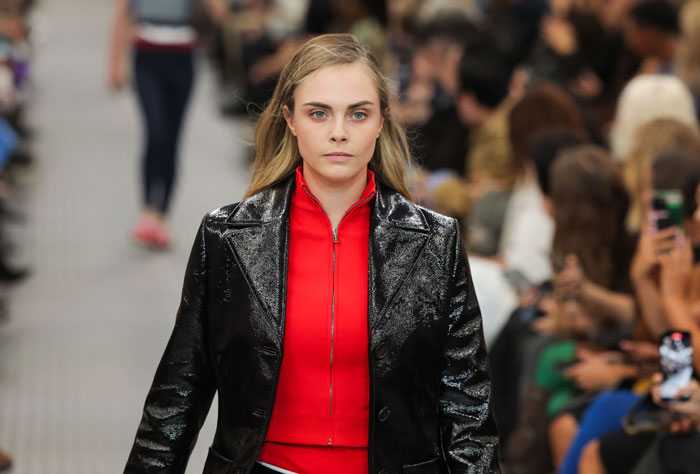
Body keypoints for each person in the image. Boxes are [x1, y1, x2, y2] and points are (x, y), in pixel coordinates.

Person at [123, 34, 500, 474]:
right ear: (290, 119)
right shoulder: (229, 237)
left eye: (358, 114)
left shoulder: (434, 242)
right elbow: (177, 396)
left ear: (381, 122)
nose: (338, 131)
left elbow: (467, 409)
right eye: (318, 113)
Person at [108, 0, 230, 249]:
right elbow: (122, 14)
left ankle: (161, 216)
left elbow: (221, 15)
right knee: (156, 132)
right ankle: (147, 211)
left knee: (172, 138)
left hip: (183, 58)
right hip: (147, 56)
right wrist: (115, 63)